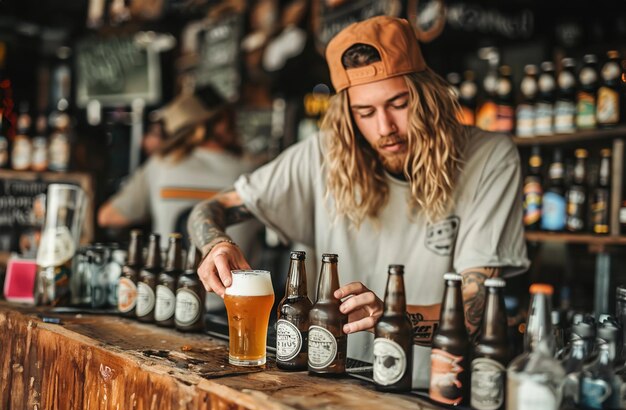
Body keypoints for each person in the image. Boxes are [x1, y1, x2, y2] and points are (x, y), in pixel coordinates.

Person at [187, 16, 529, 387]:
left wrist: (391, 315)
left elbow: (475, 315)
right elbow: (211, 208)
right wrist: (215, 243)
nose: (385, 128)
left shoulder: (490, 158)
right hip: (332, 382)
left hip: (434, 392)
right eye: (365, 113)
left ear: (427, 96)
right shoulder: (321, 154)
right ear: (348, 116)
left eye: (399, 104)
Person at [98, 86, 258, 254]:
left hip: (168, 278)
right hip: (235, 279)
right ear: (221, 122)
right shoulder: (252, 171)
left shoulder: (161, 165)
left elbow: (107, 217)